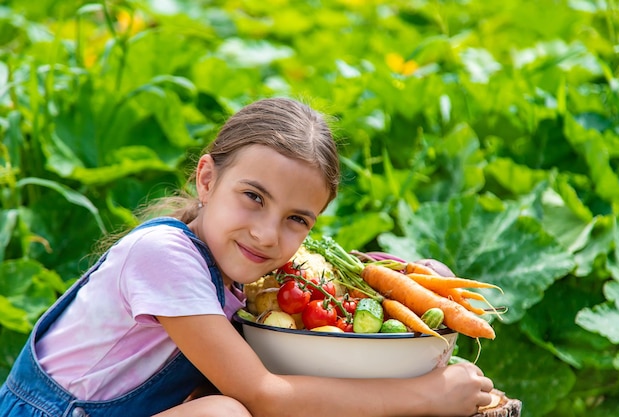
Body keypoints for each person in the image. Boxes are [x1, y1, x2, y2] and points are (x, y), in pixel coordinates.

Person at [0, 97, 494, 417]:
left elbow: (343, 267)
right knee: (225, 415)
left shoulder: (243, 258)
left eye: (297, 219)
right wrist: (428, 397)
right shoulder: (162, 255)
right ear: (207, 179)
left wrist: (414, 276)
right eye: (253, 197)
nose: (266, 234)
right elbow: (263, 394)